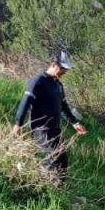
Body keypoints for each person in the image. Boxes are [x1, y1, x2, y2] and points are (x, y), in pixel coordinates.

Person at [12, 51, 87, 180]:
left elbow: (64, 107)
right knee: (51, 159)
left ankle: (59, 188)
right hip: (41, 129)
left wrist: (75, 123)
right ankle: (46, 188)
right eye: (63, 68)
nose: (64, 72)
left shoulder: (58, 84)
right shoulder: (37, 82)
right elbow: (25, 102)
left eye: (66, 69)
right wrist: (18, 124)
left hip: (55, 129)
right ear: (53, 64)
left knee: (62, 160)